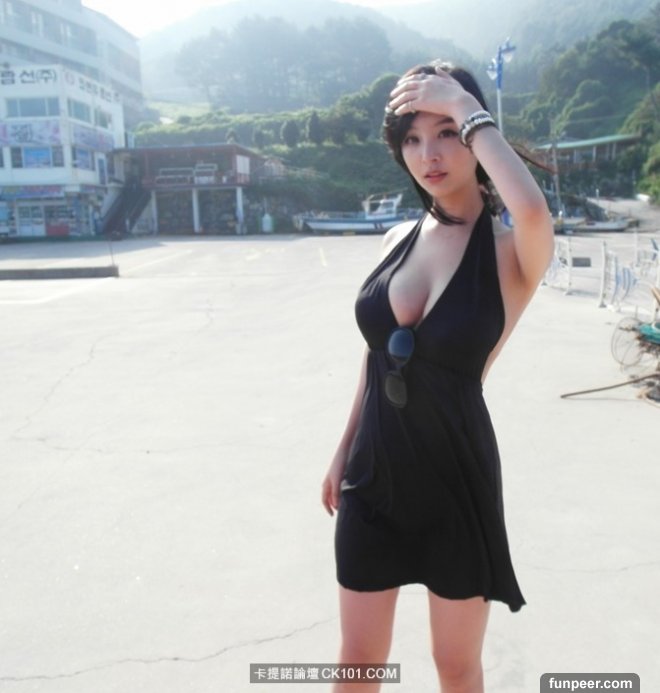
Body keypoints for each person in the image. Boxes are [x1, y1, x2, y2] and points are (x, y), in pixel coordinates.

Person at [321, 61, 554, 693]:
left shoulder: (511, 251)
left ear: (477, 133)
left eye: (448, 132)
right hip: (373, 474)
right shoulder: (397, 238)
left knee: (455, 666)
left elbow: (532, 209)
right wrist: (343, 449)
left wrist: (463, 103)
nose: (429, 154)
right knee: (357, 661)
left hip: (456, 478)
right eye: (413, 138)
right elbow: (376, 356)